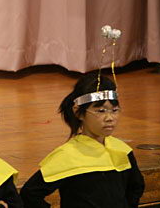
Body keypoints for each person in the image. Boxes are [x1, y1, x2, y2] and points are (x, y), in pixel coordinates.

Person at [19, 73, 144, 207]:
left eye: (114, 110)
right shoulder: (67, 156)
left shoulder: (122, 150)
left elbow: (136, 187)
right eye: (101, 111)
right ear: (78, 112)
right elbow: (30, 193)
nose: (109, 118)